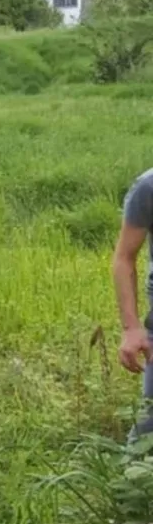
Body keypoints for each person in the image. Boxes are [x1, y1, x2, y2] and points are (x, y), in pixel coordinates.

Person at [112, 166, 153, 441]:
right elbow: (124, 258)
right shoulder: (148, 188)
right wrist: (132, 328)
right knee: (148, 430)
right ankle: (128, 482)